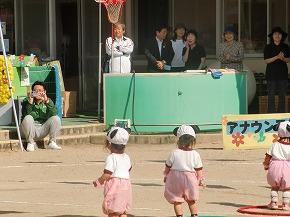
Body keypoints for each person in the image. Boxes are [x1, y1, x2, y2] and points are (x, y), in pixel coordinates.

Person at [164, 125, 205, 217]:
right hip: (190, 178)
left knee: (177, 200)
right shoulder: (195, 154)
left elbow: (168, 166)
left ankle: (179, 216)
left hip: (175, 178)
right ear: (193, 140)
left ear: (178, 139)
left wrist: (166, 176)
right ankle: (194, 215)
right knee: (191, 200)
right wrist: (200, 180)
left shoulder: (174, 152)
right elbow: (199, 169)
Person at [93, 127, 132, 217]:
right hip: (126, 184)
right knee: (122, 211)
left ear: (109, 144)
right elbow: (128, 169)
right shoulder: (127, 157)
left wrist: (98, 181)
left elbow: (107, 174)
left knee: (112, 211)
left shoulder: (111, 157)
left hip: (115, 185)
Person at [21, 81, 61, 152]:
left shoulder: (48, 101)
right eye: (35, 91)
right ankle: (30, 142)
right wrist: (30, 103)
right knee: (28, 118)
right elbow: (25, 115)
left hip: (42, 129)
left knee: (56, 118)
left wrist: (46, 101)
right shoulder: (26, 101)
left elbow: (54, 113)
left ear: (44, 92)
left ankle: (52, 142)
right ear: (32, 92)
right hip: (29, 130)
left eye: (40, 91)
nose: (38, 93)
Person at [263, 121, 290, 210]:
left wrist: (266, 165)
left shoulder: (275, 145)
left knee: (274, 186)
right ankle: (286, 204)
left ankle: (273, 203)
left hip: (275, 167)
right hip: (288, 167)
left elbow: (268, 156)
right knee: (287, 188)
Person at [264, 26, 290, 113]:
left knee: (282, 95)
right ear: (272, 36)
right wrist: (276, 57)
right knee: (271, 95)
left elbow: (289, 60)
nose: (277, 36)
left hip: (283, 74)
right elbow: (266, 61)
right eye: (275, 34)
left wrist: (283, 58)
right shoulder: (268, 47)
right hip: (271, 74)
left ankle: (281, 115)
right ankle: (271, 114)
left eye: (279, 34)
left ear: (282, 36)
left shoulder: (285, 46)